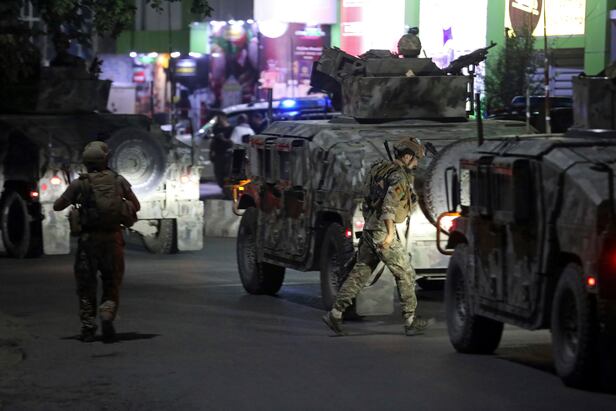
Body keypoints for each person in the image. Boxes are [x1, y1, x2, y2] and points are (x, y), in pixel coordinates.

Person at [322, 138, 434, 336]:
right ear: (407, 156)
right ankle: (410, 321)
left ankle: (335, 313)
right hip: (382, 231)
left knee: (360, 273)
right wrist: (389, 235)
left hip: (371, 228)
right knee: (405, 273)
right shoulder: (398, 177)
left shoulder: (379, 169)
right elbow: (389, 208)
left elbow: (367, 198)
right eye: (416, 158)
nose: (417, 163)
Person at [53, 141, 140, 343]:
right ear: (105, 159)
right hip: (113, 240)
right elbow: (136, 205)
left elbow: (57, 206)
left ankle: (88, 328)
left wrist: (76, 199)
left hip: (88, 242)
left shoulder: (80, 183)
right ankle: (107, 314)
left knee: (86, 285)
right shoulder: (119, 180)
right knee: (112, 282)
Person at [209, 113, 234, 188]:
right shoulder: (216, 129)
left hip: (228, 154)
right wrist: (211, 153)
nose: (219, 121)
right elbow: (213, 142)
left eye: (220, 118)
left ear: (224, 118)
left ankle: (226, 189)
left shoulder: (231, 129)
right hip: (218, 154)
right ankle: (222, 187)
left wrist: (224, 139)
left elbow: (233, 142)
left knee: (227, 173)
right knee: (218, 173)